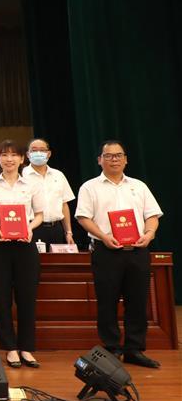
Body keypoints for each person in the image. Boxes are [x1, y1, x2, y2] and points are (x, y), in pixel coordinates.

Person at [75, 140, 163, 369]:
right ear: (99, 160)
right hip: (106, 251)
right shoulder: (89, 187)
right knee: (107, 301)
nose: (114, 159)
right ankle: (112, 347)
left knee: (138, 301)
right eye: (108, 155)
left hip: (138, 250)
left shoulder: (139, 186)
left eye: (118, 155)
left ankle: (134, 349)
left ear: (125, 159)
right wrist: (103, 236)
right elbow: (83, 217)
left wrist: (149, 234)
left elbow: (152, 215)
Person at [0, 139, 45, 369]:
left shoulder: (31, 185)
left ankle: (26, 348)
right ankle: (10, 348)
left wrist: (30, 228)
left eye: (14, 155)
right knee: (1, 298)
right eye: (4, 155)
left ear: (22, 159)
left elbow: (39, 215)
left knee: (27, 298)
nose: (9, 159)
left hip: (25, 244)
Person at [22, 138, 76, 247]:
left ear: (49, 154)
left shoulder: (58, 175)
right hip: (30, 228)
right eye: (34, 150)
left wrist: (68, 232)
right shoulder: (22, 175)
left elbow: (64, 205)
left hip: (56, 228)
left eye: (42, 150)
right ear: (28, 154)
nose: (38, 153)